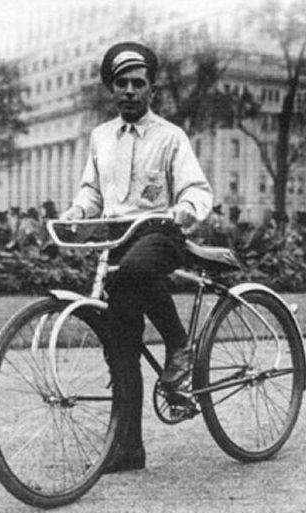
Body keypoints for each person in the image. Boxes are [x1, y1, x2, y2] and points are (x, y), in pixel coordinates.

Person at [60, 41, 213, 472]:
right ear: (113, 90)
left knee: (135, 270)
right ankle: (128, 449)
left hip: (161, 235)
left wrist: (186, 209)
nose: (129, 91)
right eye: (121, 84)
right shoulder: (101, 137)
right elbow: (92, 190)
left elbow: (195, 190)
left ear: (151, 90)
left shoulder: (170, 136)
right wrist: (77, 212)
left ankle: (178, 344)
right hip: (119, 240)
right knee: (120, 344)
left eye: (137, 83)